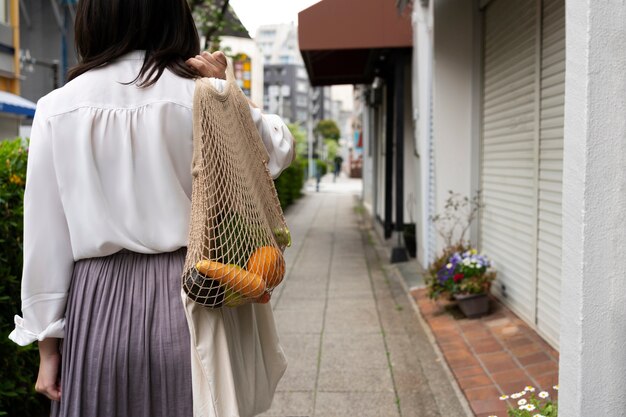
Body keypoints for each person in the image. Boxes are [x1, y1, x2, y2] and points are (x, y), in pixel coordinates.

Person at [8, 1, 294, 416]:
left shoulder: (56, 107)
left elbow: (45, 239)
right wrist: (226, 89)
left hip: (97, 305)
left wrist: (48, 345)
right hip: (196, 294)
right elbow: (278, 150)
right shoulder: (202, 93)